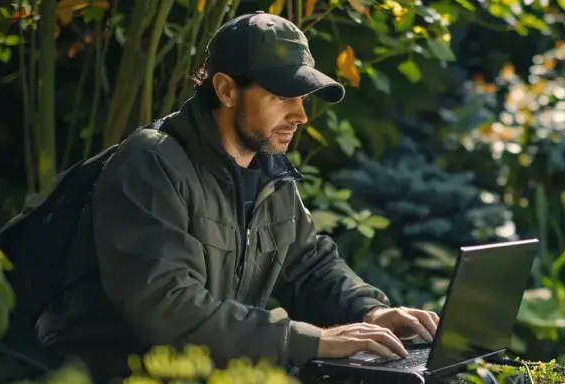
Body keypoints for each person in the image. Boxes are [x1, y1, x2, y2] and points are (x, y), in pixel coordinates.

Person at [36, 11, 439, 381]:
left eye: (302, 97)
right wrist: (310, 340)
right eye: (282, 96)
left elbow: (309, 266)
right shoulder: (151, 164)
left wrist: (372, 312)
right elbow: (168, 308)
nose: (300, 115)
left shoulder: (268, 173)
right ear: (226, 89)